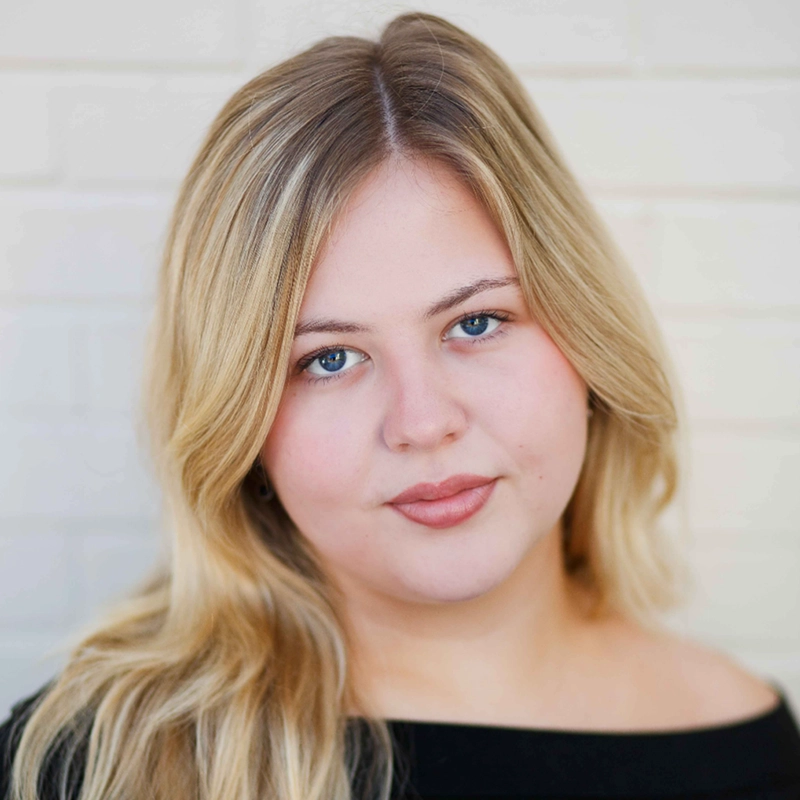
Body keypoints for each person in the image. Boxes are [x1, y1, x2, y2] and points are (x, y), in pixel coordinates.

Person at [2, 10, 799, 800]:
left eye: (476, 323)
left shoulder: (750, 742)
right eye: (329, 359)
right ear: (240, 426)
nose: (422, 423)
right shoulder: (99, 765)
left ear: (586, 334)